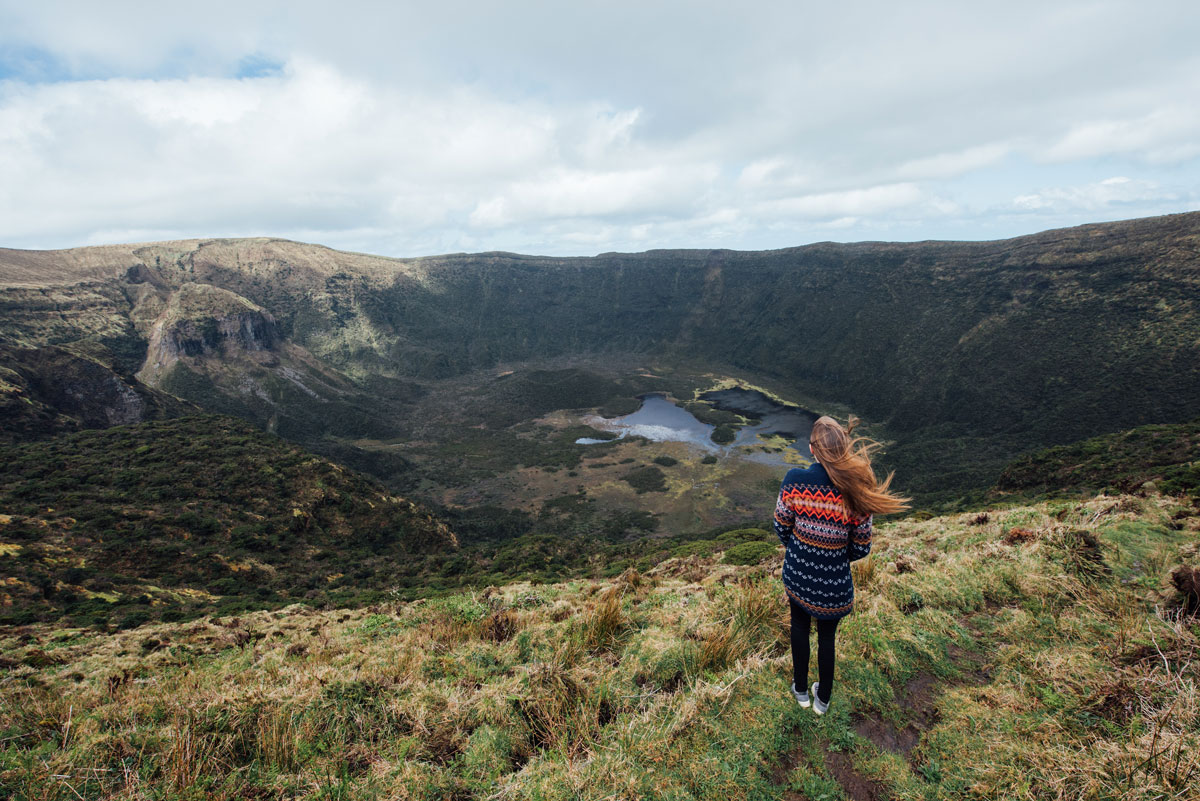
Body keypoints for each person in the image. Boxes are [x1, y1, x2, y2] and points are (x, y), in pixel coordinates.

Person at [773, 414, 909, 715]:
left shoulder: (795, 481)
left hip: (798, 574)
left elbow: (781, 526)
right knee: (827, 637)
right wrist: (831, 555)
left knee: (798, 626)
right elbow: (861, 547)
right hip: (834, 583)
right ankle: (823, 700)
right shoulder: (856, 491)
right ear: (842, 449)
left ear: (812, 449)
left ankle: (800, 689)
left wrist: (803, 548)